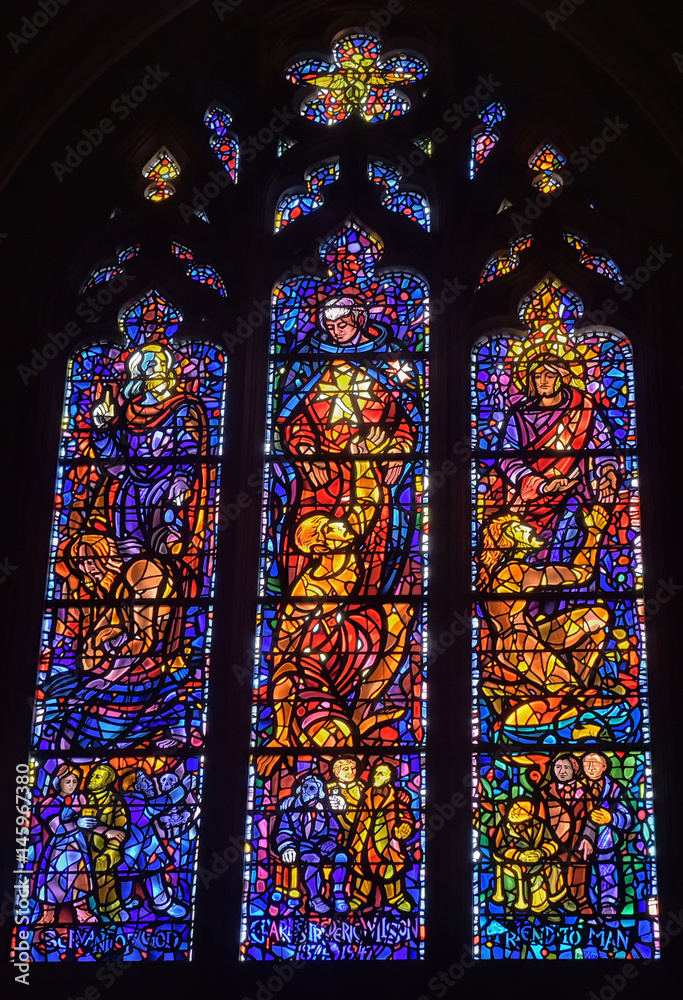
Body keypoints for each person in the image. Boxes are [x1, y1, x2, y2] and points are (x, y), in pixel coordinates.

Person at [266, 459, 412, 750]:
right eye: (330, 528)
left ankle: (357, 713)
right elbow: (284, 644)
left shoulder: (349, 540)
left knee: (400, 619)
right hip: (323, 654)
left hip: (358, 631)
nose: (340, 524)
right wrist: (280, 734)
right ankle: (342, 721)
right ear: (321, 548)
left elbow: (367, 501)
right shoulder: (309, 588)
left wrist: (362, 462)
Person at [277, 294, 418, 595]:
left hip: (371, 476)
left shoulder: (388, 360)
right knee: (312, 545)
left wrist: (398, 450)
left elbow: (406, 420)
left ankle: (364, 612)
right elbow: (293, 420)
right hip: (323, 479)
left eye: (342, 324)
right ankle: (307, 613)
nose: (336, 331)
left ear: (360, 321)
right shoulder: (308, 361)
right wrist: (305, 453)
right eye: (330, 326)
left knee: (371, 543)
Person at [477, 504, 617, 733]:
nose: (528, 529)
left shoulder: (517, 569)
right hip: (517, 645)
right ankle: (568, 700)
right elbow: (580, 573)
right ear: (508, 538)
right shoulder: (513, 572)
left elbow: (581, 574)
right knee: (568, 694)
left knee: (597, 616)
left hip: (533, 633)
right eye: (518, 528)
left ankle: (578, 688)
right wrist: (593, 532)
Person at [90, 342, 210, 581]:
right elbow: (115, 460)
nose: (152, 369)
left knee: (165, 542)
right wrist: (103, 428)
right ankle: (132, 599)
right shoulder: (129, 412)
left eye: (158, 364)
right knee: (128, 547)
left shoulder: (183, 407)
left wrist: (181, 480)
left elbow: (188, 449)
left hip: (165, 488)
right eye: (146, 365)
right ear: (137, 371)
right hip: (131, 490)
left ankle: (164, 595)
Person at [497, 353, 619, 562]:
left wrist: (607, 471)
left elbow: (601, 445)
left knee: (569, 545)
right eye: (538, 376)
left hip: (575, 493)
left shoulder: (584, 407)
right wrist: (540, 484)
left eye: (549, 375)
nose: (543, 381)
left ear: (562, 377)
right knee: (528, 554)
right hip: (531, 497)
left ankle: (571, 590)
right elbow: (507, 457)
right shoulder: (520, 414)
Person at [272, 774, 350, 915]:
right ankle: (315, 898)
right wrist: (286, 847)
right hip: (299, 845)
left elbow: (334, 828)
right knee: (313, 859)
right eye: (305, 787)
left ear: (319, 793)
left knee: (342, 857)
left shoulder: (324, 811)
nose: (306, 790)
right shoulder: (291, 809)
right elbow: (283, 831)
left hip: (321, 844)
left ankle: (338, 894)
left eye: (312, 788)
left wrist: (331, 841)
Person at [118, 770, 191, 918]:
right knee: (125, 874)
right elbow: (163, 803)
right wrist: (183, 788)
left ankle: (161, 902)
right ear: (135, 787)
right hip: (132, 847)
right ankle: (121, 904)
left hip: (145, 844)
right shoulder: (133, 801)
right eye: (145, 780)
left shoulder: (138, 800)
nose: (151, 783)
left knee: (153, 868)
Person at [348, 763, 416, 912]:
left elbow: (406, 817)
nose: (376, 776)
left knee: (390, 869)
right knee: (363, 868)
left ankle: (396, 898)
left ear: (390, 778)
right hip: (365, 839)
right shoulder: (364, 794)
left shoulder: (396, 798)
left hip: (388, 841)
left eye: (381, 774)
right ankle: (359, 896)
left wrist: (404, 827)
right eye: (376, 773)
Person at [34, 765, 95, 925]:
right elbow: (57, 828)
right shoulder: (49, 804)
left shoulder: (80, 800)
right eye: (67, 781)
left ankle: (83, 912)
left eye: (75, 781)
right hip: (59, 848)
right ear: (58, 783)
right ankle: (48, 915)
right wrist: (77, 824)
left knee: (80, 878)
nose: (72, 785)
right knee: (54, 880)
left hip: (78, 845)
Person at [492, 798, 566, 919]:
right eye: (514, 807)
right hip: (513, 862)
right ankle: (540, 908)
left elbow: (551, 842)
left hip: (537, 859)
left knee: (554, 864)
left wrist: (542, 852)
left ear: (529, 815)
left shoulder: (539, 824)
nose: (515, 812)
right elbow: (497, 848)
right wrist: (518, 855)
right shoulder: (504, 827)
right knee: (535, 876)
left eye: (521, 810)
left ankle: (556, 899)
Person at [578, 752, 633, 917]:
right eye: (586, 763)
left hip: (605, 841)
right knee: (580, 873)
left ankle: (608, 903)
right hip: (578, 840)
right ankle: (582, 904)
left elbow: (628, 819)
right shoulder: (577, 788)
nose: (590, 767)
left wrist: (611, 818)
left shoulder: (615, 790)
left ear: (604, 767)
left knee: (607, 870)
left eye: (595, 763)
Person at [538, 755, 592, 914]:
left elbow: (591, 817)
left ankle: (581, 901)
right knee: (555, 869)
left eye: (566, 768)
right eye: (558, 767)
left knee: (578, 868)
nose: (562, 771)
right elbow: (540, 818)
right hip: (554, 840)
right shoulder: (545, 792)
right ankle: (556, 899)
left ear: (575, 769)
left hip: (578, 838)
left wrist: (588, 837)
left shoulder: (586, 791)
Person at [76, 763, 129, 922]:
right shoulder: (83, 799)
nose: (92, 778)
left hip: (103, 849)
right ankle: (86, 911)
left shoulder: (114, 800)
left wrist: (111, 849)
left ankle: (112, 912)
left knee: (106, 879)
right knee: (80, 882)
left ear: (107, 782)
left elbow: (120, 828)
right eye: (92, 776)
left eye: (98, 777)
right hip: (81, 850)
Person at [328, 758, 365, 847]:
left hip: (361, 829)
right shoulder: (328, 789)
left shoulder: (362, 788)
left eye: (353, 768)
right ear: (336, 772)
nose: (350, 772)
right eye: (345, 769)